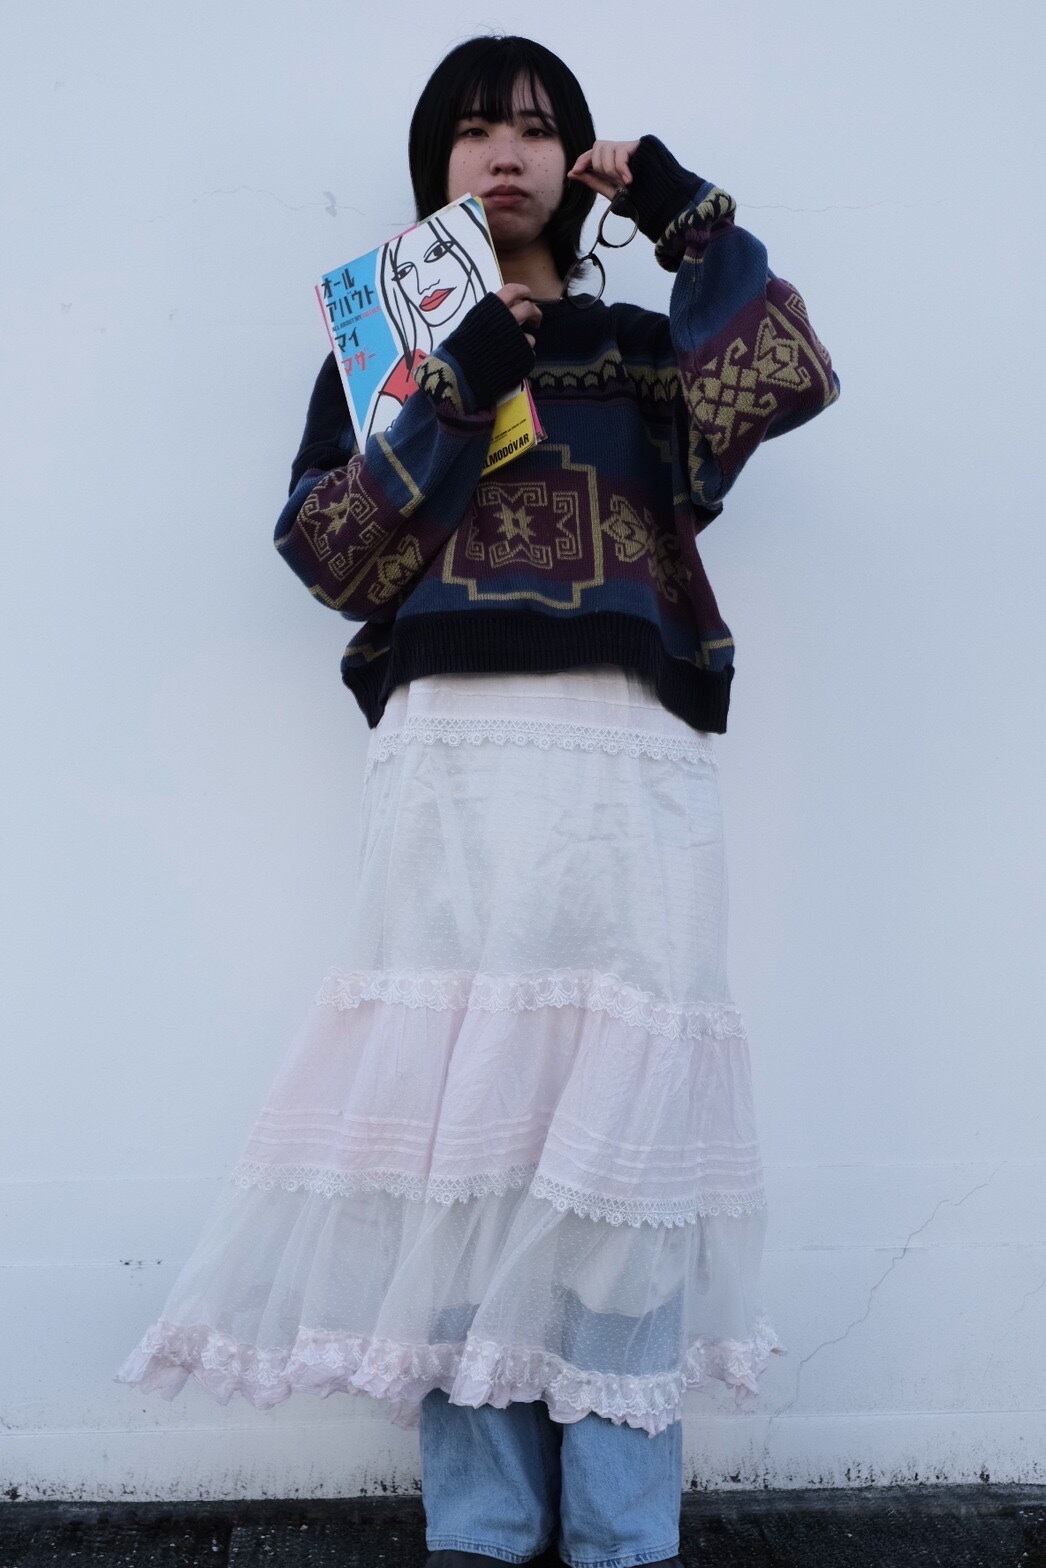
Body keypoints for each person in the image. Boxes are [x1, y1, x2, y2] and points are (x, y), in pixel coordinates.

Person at [115, 32, 841, 1568]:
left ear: (571, 160)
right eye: (469, 128)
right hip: (451, 766)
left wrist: (683, 214)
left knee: (621, 1155)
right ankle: (485, 1526)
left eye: (532, 126)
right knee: (457, 1146)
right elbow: (330, 554)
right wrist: (458, 386)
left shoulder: (638, 349)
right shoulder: (380, 354)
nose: (501, 151)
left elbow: (785, 375)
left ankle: (624, 1533)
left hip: (626, 766)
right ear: (431, 163)